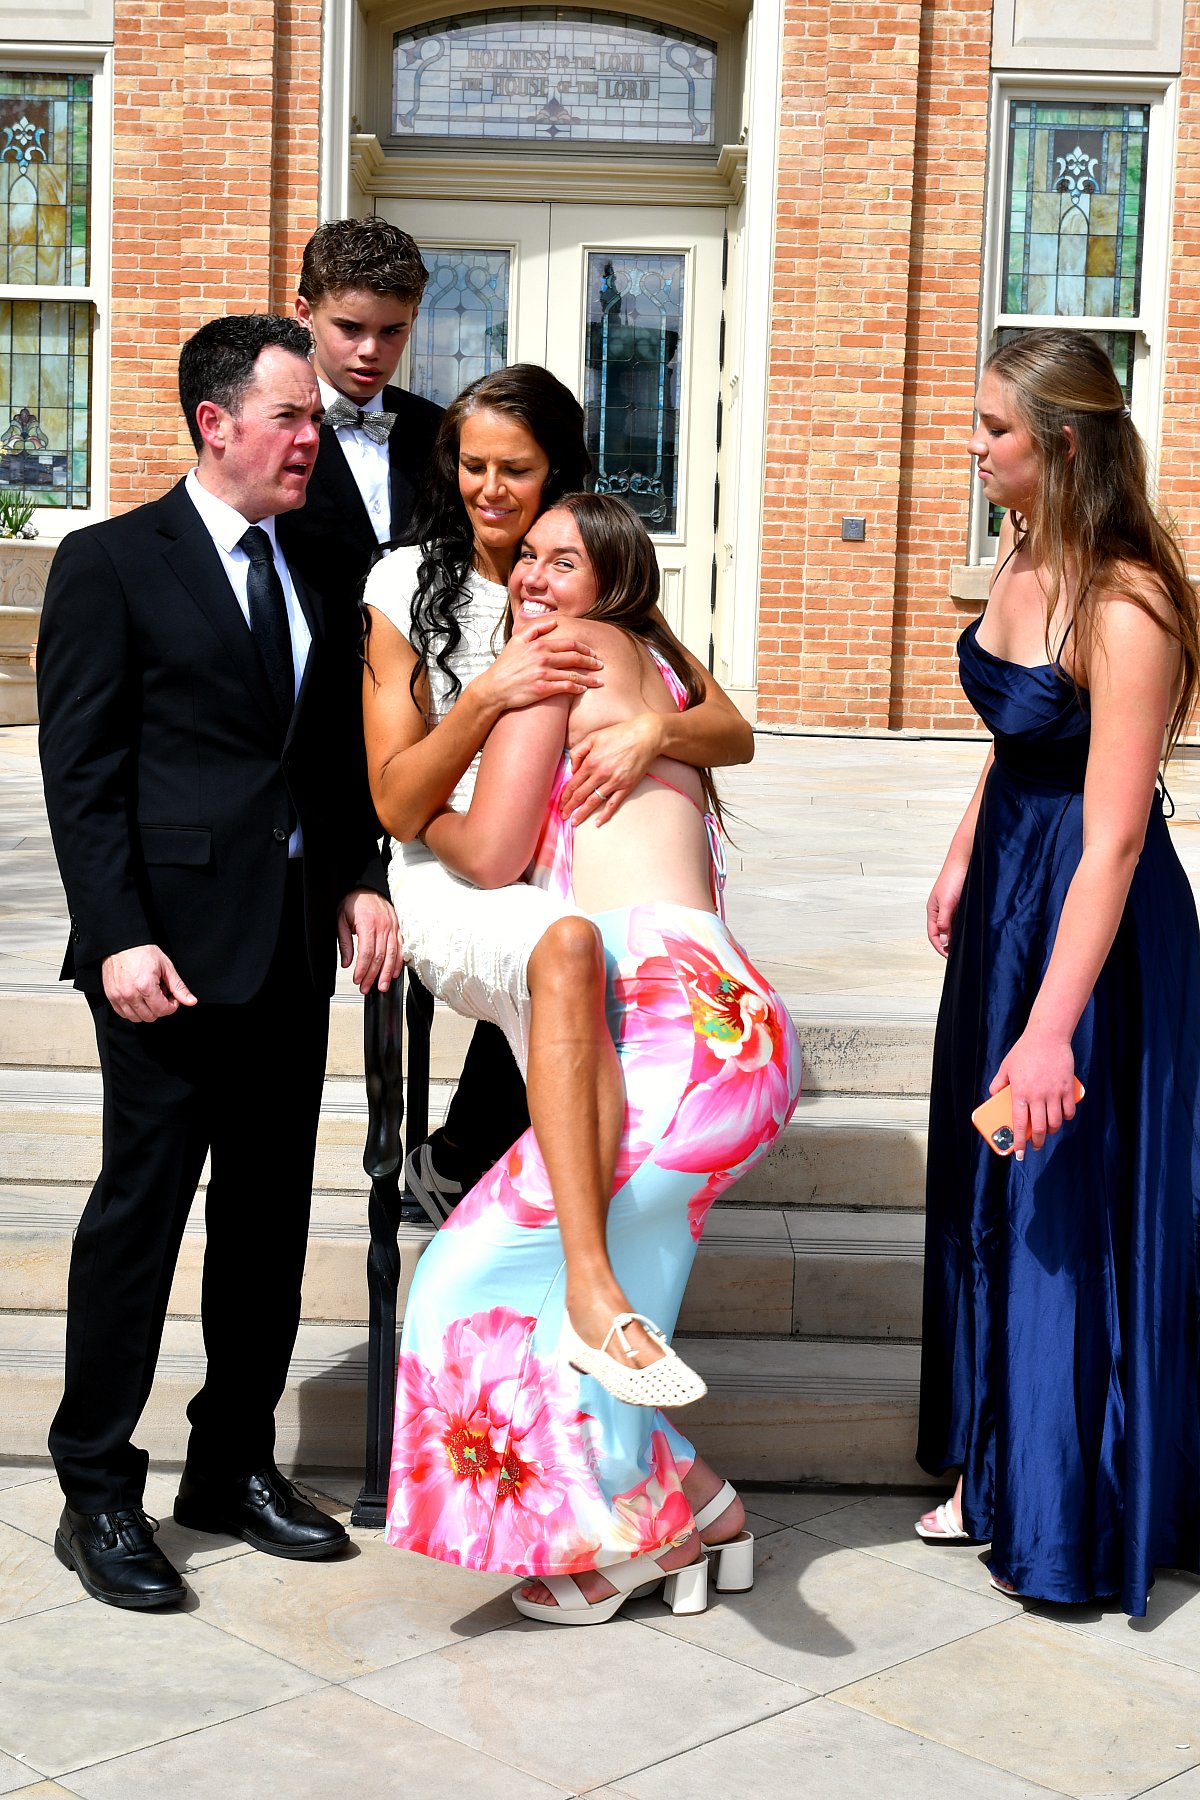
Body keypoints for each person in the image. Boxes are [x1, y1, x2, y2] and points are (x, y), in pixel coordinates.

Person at [383, 492, 802, 1621]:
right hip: (730, 1026)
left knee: (468, 1280)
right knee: (616, 1308)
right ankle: (703, 1511)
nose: (533, 579)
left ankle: (625, 1546)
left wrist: (421, 819)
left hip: (662, 1030)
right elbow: (731, 729)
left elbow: (490, 853)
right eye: (527, 559)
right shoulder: (651, 654)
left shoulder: (558, 656)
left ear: (609, 578)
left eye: (563, 562)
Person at [36, 314, 400, 1610]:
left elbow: (331, 753)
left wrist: (358, 876)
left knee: (265, 1221)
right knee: (139, 1219)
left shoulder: (322, 555)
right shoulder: (109, 563)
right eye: (291, 418)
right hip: (167, 959)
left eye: (315, 421)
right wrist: (117, 933)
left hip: (289, 949)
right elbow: (82, 772)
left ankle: (229, 1464)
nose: (313, 441)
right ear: (216, 422)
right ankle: (96, 1487)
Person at [362, 364, 754, 1390]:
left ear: (558, 474)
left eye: (517, 470)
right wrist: (487, 694)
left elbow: (729, 728)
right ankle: (575, 1281)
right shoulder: (405, 585)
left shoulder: (584, 579)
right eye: (473, 466)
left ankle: (536, 1260)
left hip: (551, 856)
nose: (491, 490)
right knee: (564, 945)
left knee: (603, 963)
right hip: (450, 853)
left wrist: (652, 733)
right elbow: (399, 805)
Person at [916, 328, 1200, 1615]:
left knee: (1061, 1199)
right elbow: (1019, 736)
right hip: (1009, 897)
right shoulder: (1023, 552)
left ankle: (1061, 1499)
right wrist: (961, 849)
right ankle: (991, 1458)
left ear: (1065, 444)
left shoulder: (1128, 604)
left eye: (995, 429)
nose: (974, 447)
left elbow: (1118, 835)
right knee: (989, 1184)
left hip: (1097, 926)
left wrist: (1049, 1031)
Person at [278, 216, 528, 1223]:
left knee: (555, 928)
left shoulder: (444, 437)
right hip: (309, 761)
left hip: (439, 751)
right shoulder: (267, 433)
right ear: (304, 312)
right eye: (350, 328)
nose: (371, 351)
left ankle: (464, 1145)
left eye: (393, 330)